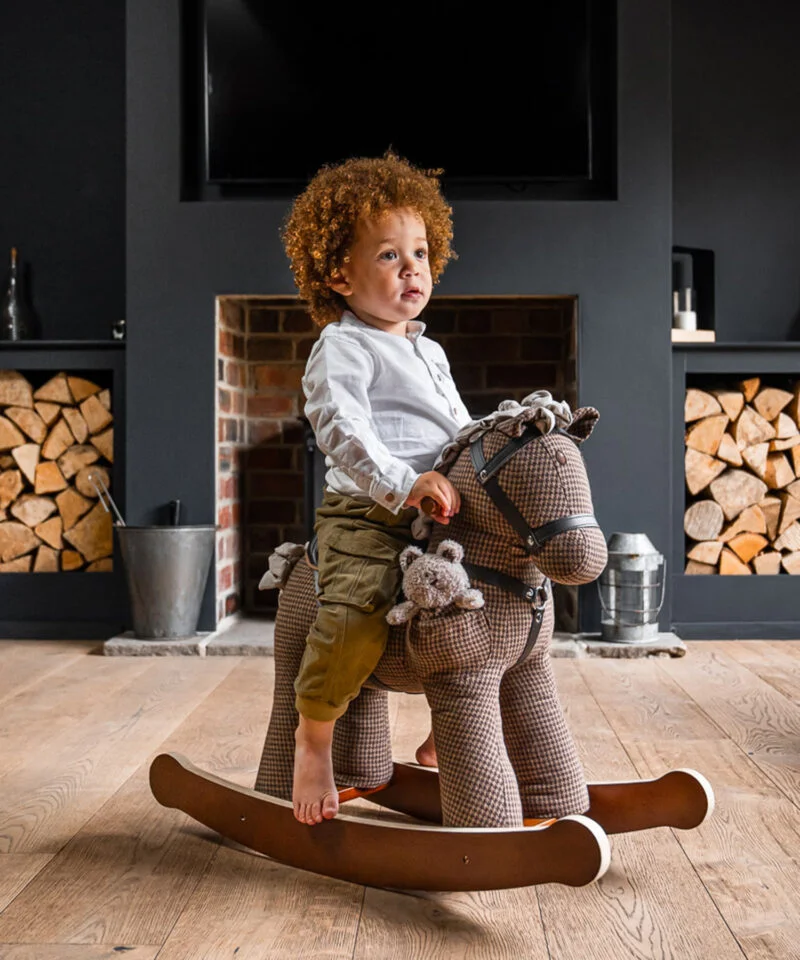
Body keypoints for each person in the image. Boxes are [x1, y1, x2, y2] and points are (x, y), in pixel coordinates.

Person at [282, 152, 470, 825]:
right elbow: (343, 430)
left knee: (503, 599)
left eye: (420, 252)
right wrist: (403, 481)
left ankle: (450, 727)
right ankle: (314, 740)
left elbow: (458, 428)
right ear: (340, 274)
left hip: (438, 513)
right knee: (357, 609)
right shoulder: (344, 345)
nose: (413, 267)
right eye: (389, 255)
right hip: (367, 514)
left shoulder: (430, 349)